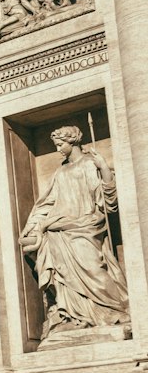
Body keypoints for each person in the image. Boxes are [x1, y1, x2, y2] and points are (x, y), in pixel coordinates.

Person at [19, 125, 130, 337]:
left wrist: (104, 168)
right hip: (58, 232)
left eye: (61, 144)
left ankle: (115, 310)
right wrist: (32, 227)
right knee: (63, 276)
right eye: (57, 145)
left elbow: (109, 202)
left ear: (73, 142)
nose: (58, 149)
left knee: (93, 268)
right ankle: (75, 315)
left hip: (86, 226)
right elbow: (46, 204)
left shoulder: (89, 165)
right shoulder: (60, 173)